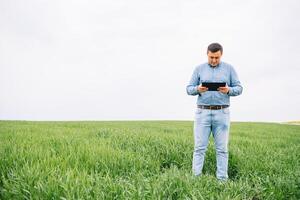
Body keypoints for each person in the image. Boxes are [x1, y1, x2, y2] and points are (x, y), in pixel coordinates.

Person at [186, 43, 243, 181]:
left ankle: (222, 180)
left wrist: (229, 90)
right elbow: (188, 88)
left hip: (222, 113)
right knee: (199, 148)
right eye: (211, 57)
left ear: (221, 55)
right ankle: (195, 179)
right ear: (207, 54)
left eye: (217, 57)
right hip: (202, 113)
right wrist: (197, 89)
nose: (213, 60)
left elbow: (239, 88)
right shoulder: (199, 69)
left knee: (222, 149)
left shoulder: (229, 69)